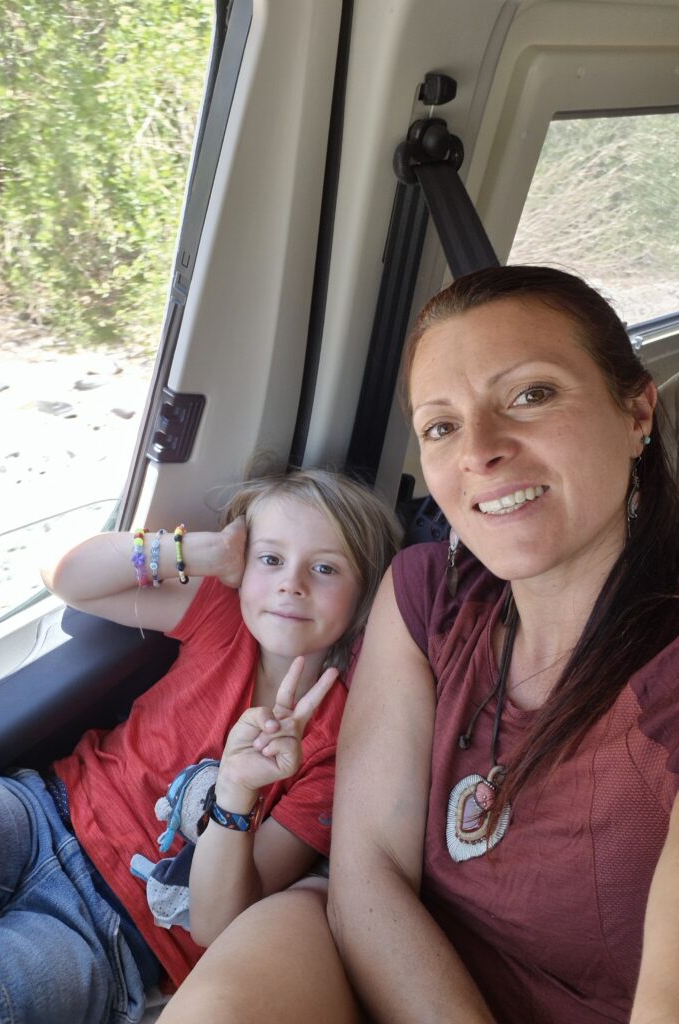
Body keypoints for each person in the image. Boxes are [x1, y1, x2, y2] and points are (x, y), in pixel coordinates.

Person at [159, 265, 679, 1024]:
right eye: (441, 426)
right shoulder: (427, 594)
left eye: (531, 394)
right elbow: (365, 871)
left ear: (636, 412)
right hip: (365, 963)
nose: (480, 450)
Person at [0, 467, 401, 1024]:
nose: (292, 584)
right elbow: (64, 574)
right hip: (42, 813)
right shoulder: (223, 616)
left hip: (118, 931)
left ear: (366, 594)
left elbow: (217, 924)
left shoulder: (339, 747)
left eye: (325, 568)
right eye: (270, 559)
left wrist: (236, 790)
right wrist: (203, 552)